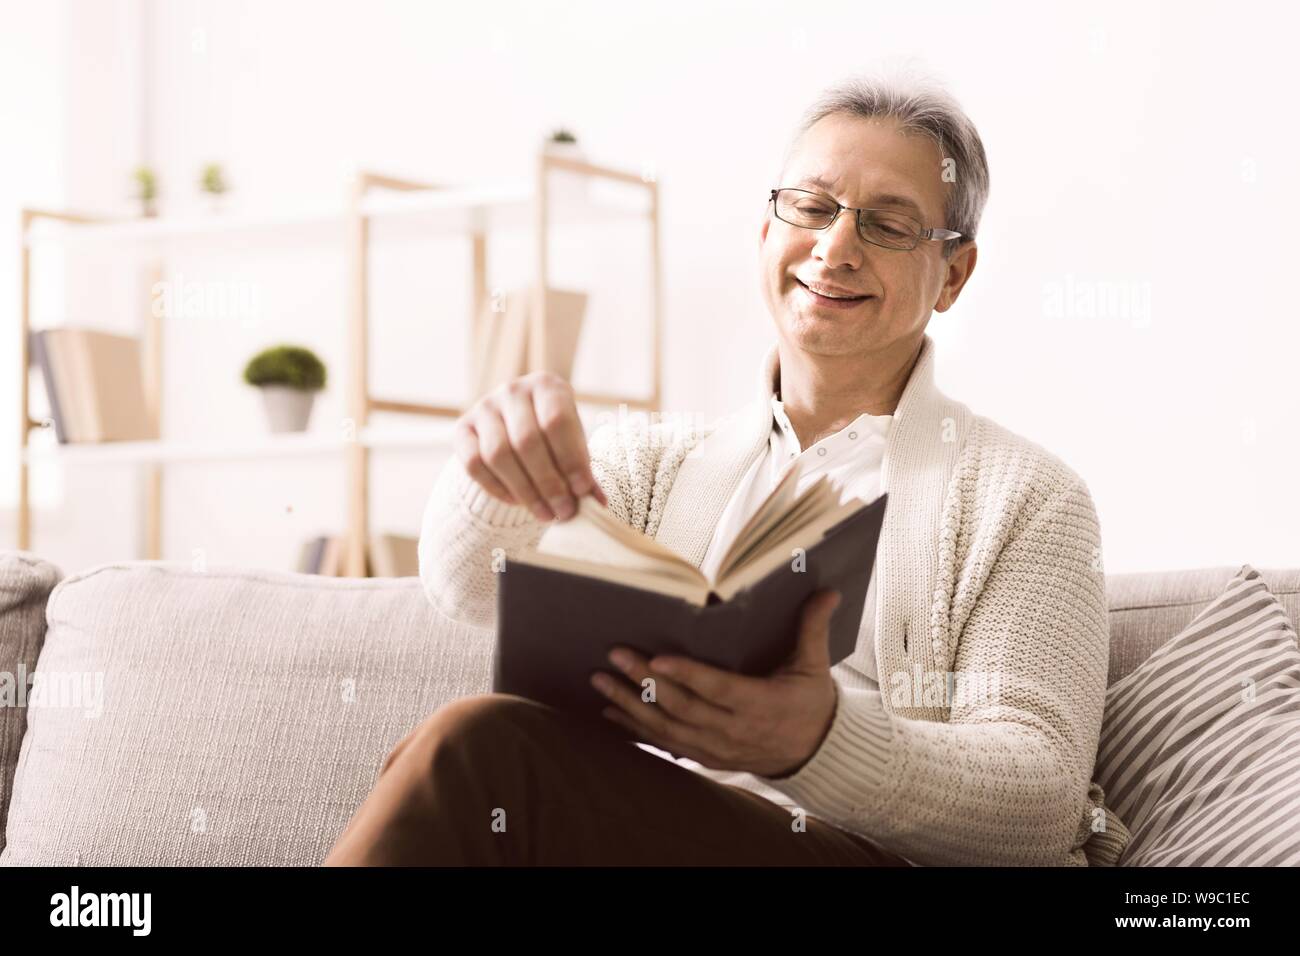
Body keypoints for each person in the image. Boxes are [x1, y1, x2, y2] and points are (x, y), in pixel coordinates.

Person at [325, 68, 1123, 867]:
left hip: (857, 855)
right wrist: (492, 474)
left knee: (477, 751)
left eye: (887, 225)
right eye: (810, 208)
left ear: (953, 273)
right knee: (467, 760)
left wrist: (816, 742)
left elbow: (1042, 799)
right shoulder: (649, 460)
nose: (835, 246)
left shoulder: (1027, 497)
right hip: (626, 830)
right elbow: (462, 588)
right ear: (766, 232)